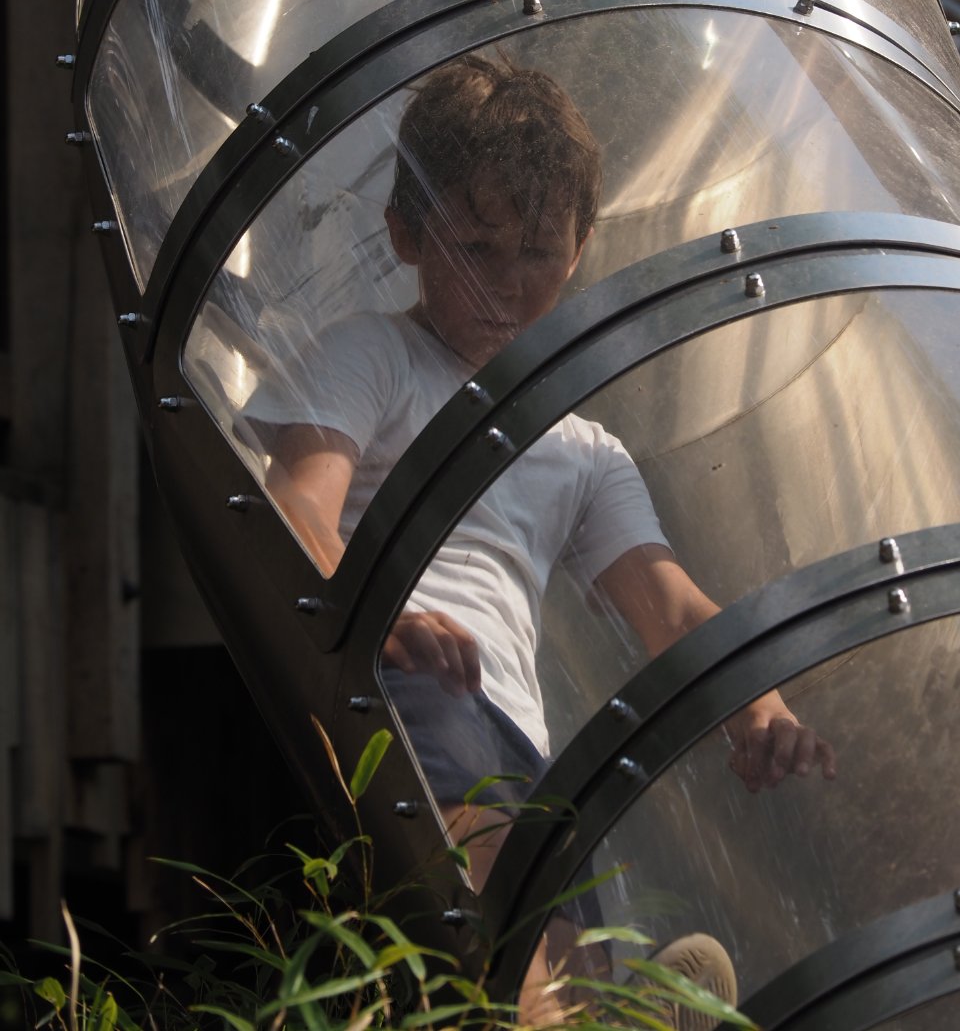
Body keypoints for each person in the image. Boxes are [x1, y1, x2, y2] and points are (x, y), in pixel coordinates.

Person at [247, 53, 835, 1020]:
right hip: (389, 683)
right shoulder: (373, 355)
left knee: (562, 937)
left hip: (512, 724)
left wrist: (757, 703)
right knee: (499, 917)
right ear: (404, 232)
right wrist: (375, 614)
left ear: (581, 245)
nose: (505, 288)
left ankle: (612, 1013)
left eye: (537, 254)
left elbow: (671, 603)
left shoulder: (582, 449)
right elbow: (297, 506)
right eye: (476, 249)